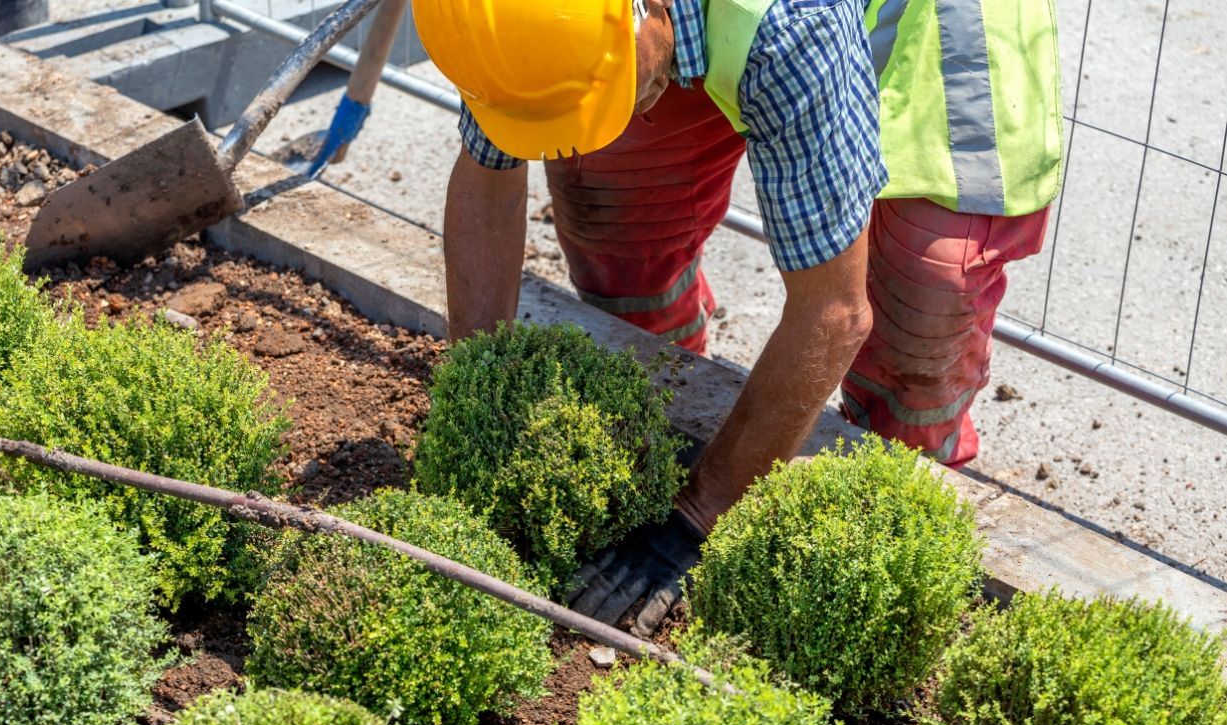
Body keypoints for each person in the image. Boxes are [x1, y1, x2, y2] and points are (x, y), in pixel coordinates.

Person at [411, 0, 1062, 631]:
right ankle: (664, 423)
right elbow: (488, 167)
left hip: (914, 17)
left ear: (646, 16)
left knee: (926, 288)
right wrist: (474, 394)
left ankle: (904, 514)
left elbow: (833, 311)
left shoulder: (788, 25)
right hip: (709, 25)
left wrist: (693, 519)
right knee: (612, 194)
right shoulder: (512, 16)